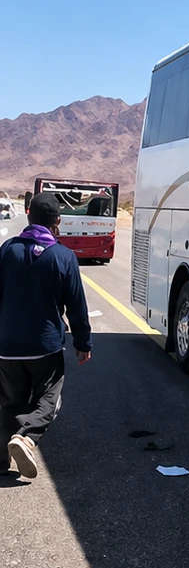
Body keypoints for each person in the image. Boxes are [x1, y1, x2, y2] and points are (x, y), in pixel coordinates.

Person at [1, 192, 92, 479]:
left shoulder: (7, 250)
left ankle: (0, 462)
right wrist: (82, 343)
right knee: (49, 400)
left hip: (6, 347)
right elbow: (77, 305)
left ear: (28, 216)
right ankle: (26, 437)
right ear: (58, 222)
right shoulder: (63, 256)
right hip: (45, 347)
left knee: (9, 401)